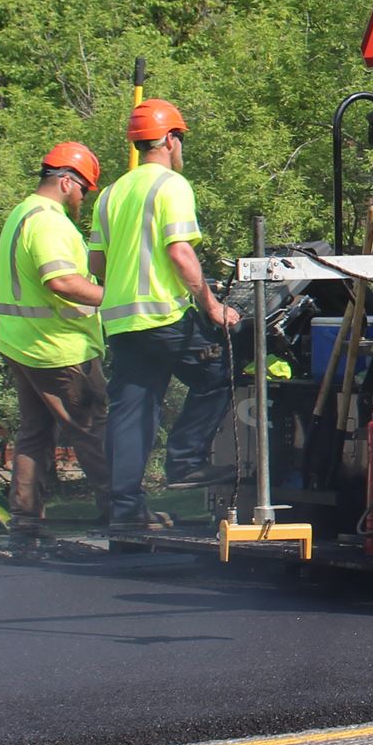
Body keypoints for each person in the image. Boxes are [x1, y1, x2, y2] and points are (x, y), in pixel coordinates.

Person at [93, 98, 240, 531]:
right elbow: (179, 252)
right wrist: (212, 305)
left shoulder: (110, 194)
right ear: (171, 139)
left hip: (121, 322)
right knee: (220, 372)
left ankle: (125, 509)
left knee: (131, 412)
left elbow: (97, 264)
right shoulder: (171, 186)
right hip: (162, 316)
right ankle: (186, 461)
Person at [0, 141, 111, 549]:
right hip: (60, 348)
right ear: (66, 182)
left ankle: (25, 525)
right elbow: (60, 281)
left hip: (23, 344)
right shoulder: (49, 222)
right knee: (93, 431)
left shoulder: (21, 213)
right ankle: (124, 513)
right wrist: (116, 297)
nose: (83, 199)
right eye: (84, 190)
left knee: (35, 434)